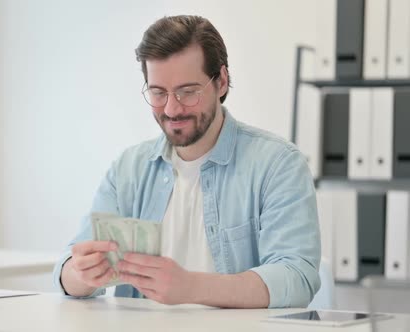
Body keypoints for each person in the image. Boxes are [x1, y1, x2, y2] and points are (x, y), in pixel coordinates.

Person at [52, 15, 320, 308]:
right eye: (158, 92)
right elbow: (66, 271)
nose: (172, 108)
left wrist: (191, 287)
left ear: (221, 81)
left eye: (188, 91)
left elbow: (297, 278)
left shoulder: (277, 164)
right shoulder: (129, 169)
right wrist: (81, 274)